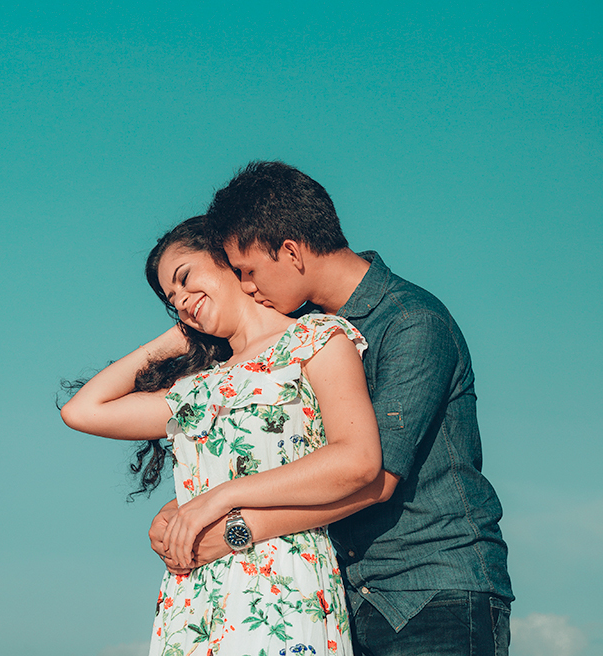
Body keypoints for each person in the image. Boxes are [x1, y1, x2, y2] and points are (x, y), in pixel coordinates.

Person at [149, 164, 513, 656]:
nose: (248, 288)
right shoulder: (304, 335)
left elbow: (372, 477)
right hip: (345, 599)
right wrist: (185, 505)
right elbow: (288, 457)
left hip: (431, 593)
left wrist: (234, 526)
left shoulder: (410, 321)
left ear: (291, 251)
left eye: (249, 271)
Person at [62, 216, 382, 656]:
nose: (183, 301)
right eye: (172, 300)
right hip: (192, 599)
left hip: (282, 584)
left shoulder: (316, 339)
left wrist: (219, 497)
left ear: (228, 258)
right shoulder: (196, 388)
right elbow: (82, 410)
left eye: (185, 278)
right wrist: (177, 337)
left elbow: (357, 461)